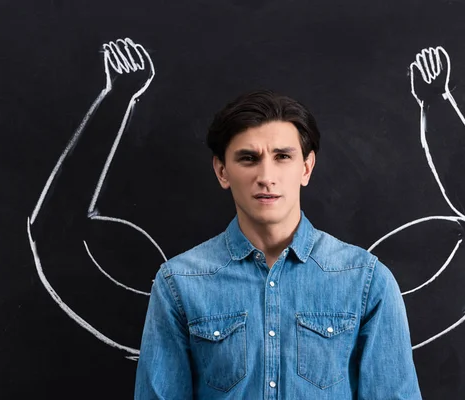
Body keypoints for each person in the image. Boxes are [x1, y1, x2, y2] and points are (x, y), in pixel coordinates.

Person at [134, 89, 422, 399]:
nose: (266, 176)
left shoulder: (366, 281)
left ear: (306, 167)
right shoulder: (179, 283)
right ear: (222, 171)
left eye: (282, 156)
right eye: (249, 158)